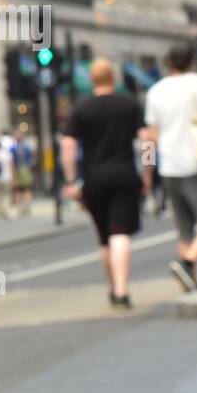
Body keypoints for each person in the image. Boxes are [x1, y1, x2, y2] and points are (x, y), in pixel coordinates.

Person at [61, 59, 149, 311]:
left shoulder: (81, 108)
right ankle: (122, 291)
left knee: (104, 238)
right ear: (114, 78)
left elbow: (68, 146)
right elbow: (147, 141)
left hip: (94, 179)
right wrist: (148, 172)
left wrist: (70, 181)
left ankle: (112, 289)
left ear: (92, 80)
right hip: (124, 174)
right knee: (120, 233)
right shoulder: (129, 104)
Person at [143, 43, 197, 291]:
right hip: (196, 163)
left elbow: (149, 136)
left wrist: (147, 172)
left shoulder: (156, 91)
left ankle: (189, 278)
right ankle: (187, 263)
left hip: (169, 166)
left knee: (184, 226)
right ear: (192, 60)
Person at [11, 129, 35, 217]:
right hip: (22, 170)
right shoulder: (24, 147)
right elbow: (30, 160)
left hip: (21, 171)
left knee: (23, 190)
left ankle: (23, 208)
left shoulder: (15, 148)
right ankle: (23, 208)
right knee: (22, 190)